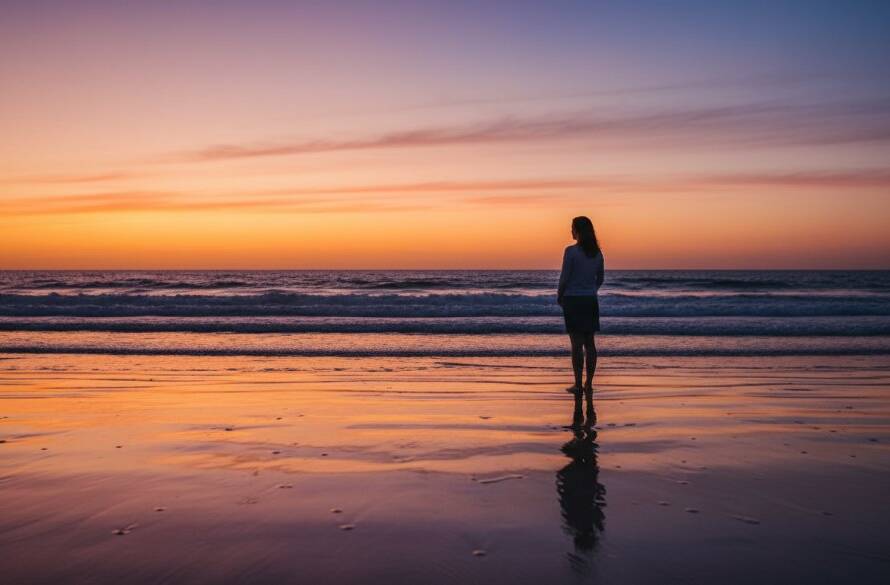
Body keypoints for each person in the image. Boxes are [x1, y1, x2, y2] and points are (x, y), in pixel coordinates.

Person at [557, 216, 604, 415]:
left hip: (574, 299)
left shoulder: (571, 252)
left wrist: (560, 295)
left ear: (578, 231)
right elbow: (600, 278)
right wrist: (590, 290)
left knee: (576, 344)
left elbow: (564, 277)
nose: (570, 232)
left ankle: (578, 384)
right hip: (590, 299)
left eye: (572, 228)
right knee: (590, 343)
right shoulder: (597, 253)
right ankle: (589, 384)